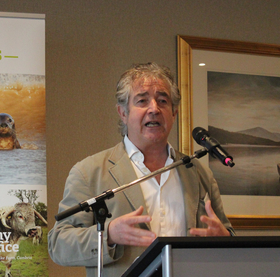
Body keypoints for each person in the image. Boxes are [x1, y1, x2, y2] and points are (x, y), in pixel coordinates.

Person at [48, 62, 235, 276]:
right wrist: (107, 234)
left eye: (162, 101)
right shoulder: (89, 172)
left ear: (174, 113)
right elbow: (58, 244)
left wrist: (224, 240)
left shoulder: (198, 172)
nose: (154, 109)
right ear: (123, 113)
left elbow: (227, 235)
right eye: (142, 100)